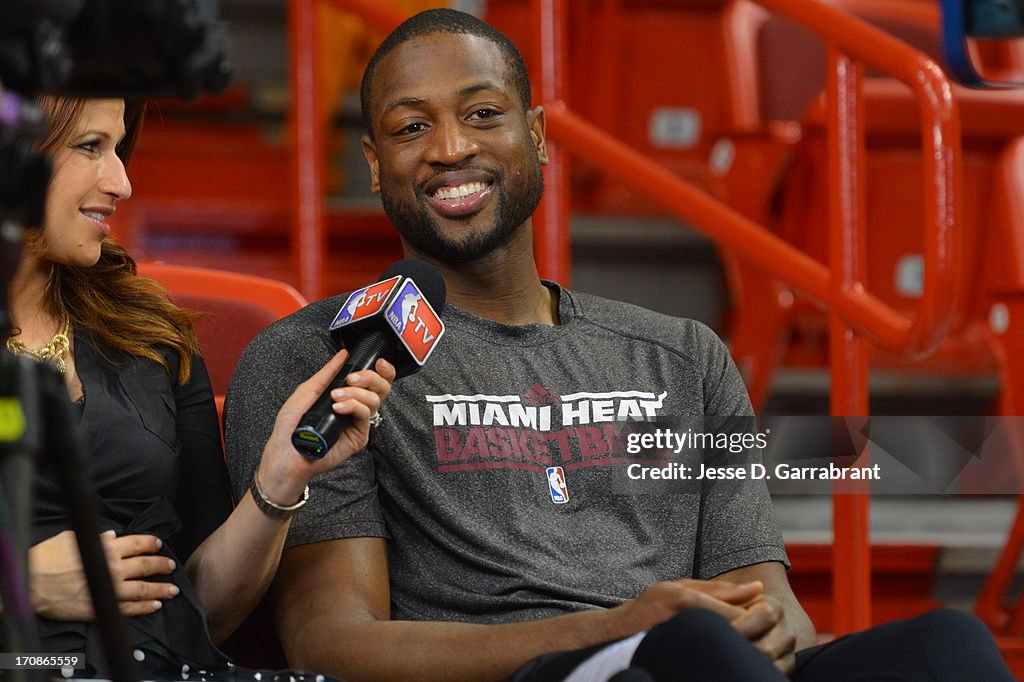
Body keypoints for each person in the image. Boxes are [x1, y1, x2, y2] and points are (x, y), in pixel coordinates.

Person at [224, 9, 1014, 682]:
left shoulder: (685, 354)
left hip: (692, 658)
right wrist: (611, 627)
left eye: (483, 114)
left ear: (536, 136)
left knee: (949, 645)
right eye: (410, 127)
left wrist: (772, 624)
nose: (450, 149)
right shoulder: (326, 358)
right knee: (692, 647)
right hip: (541, 668)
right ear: (374, 163)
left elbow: (767, 599)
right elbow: (332, 642)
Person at [5, 96, 396, 678]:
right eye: (90, 147)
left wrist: (279, 479)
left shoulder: (151, 333)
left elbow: (203, 609)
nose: (122, 181)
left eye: (118, 148)